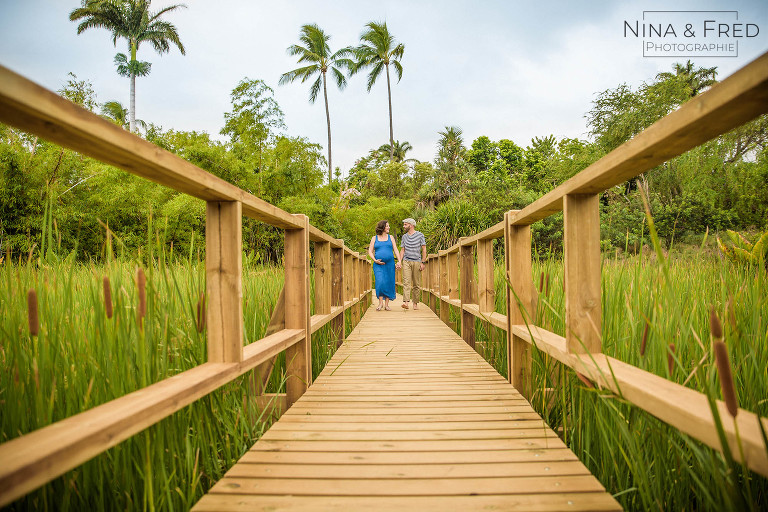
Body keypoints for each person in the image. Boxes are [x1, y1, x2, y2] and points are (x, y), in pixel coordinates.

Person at [367, 220, 401, 311]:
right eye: (387, 226)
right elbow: (370, 251)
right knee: (380, 281)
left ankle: (386, 305)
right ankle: (380, 303)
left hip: (390, 264)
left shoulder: (391, 237)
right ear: (382, 227)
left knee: (389, 282)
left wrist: (399, 261)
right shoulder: (375, 238)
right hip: (378, 265)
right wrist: (375, 260)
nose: (389, 227)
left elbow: (396, 250)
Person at [400, 217, 426, 310]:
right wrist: (399, 261)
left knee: (416, 283)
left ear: (410, 225)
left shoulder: (420, 235)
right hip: (406, 261)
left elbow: (423, 249)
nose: (404, 226)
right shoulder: (404, 237)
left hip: (417, 261)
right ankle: (406, 303)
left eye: (405, 224)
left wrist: (423, 262)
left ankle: (415, 303)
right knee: (406, 282)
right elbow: (402, 250)